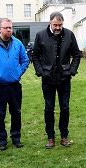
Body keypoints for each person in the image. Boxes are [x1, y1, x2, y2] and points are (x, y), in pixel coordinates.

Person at [32, 11, 82, 148]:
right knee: (49, 108)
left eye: (60, 25)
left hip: (64, 78)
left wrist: (72, 70)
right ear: (50, 23)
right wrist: (40, 71)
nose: (58, 28)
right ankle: (50, 137)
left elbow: (77, 54)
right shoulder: (41, 35)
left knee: (64, 108)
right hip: (48, 78)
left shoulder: (69, 35)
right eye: (55, 25)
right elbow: (35, 55)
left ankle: (64, 136)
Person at [0, 18, 29, 151]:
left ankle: (16, 138)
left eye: (10, 28)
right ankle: (2, 140)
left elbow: (25, 61)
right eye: (6, 28)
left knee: (16, 112)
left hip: (14, 85)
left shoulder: (17, 43)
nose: (9, 30)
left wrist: (18, 73)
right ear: (0, 29)